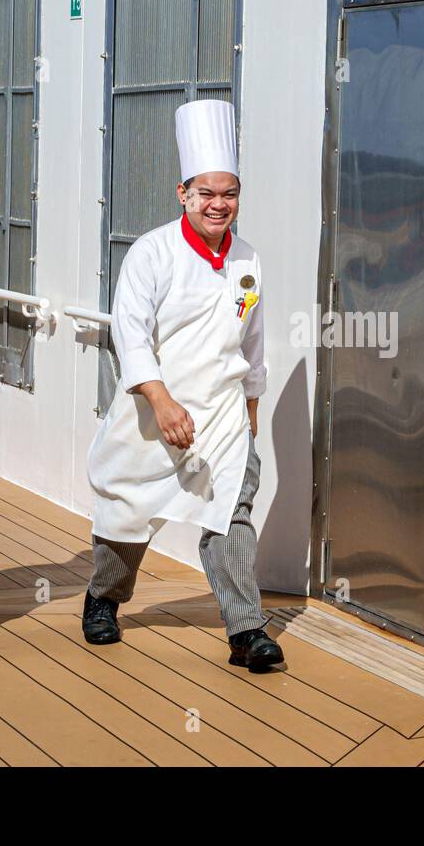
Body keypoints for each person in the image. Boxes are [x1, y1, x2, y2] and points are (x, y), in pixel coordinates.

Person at [84, 98, 283, 670]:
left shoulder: (247, 261)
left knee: (231, 515)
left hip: (221, 415)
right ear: (184, 194)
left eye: (229, 193)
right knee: (128, 514)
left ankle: (247, 632)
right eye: (208, 193)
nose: (219, 204)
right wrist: (162, 399)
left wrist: (250, 410)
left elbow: (253, 344)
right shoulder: (152, 253)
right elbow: (131, 333)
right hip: (154, 414)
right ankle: (104, 597)